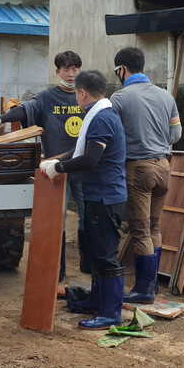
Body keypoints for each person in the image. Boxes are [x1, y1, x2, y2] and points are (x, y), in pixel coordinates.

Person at [0, 51, 88, 279]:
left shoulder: (87, 96)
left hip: (86, 168)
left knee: (88, 220)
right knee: (57, 221)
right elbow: (25, 110)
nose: (71, 74)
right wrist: (0, 119)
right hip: (57, 168)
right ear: (57, 71)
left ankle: (89, 267)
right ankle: (56, 273)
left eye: (75, 69)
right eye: (66, 69)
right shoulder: (47, 98)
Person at [39, 70, 127, 330]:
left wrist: (60, 169)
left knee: (106, 255)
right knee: (98, 254)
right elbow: (80, 150)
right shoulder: (100, 114)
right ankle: (97, 300)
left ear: (83, 93)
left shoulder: (101, 119)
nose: (76, 97)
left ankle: (111, 313)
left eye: (76, 93)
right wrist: (57, 160)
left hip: (105, 197)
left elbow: (90, 159)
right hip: (98, 195)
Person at [110, 47, 181, 304]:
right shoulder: (166, 96)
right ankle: (151, 286)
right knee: (154, 226)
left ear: (122, 70)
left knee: (140, 230)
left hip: (138, 170)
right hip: (164, 167)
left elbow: (112, 137)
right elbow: (177, 134)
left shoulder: (119, 98)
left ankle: (144, 290)